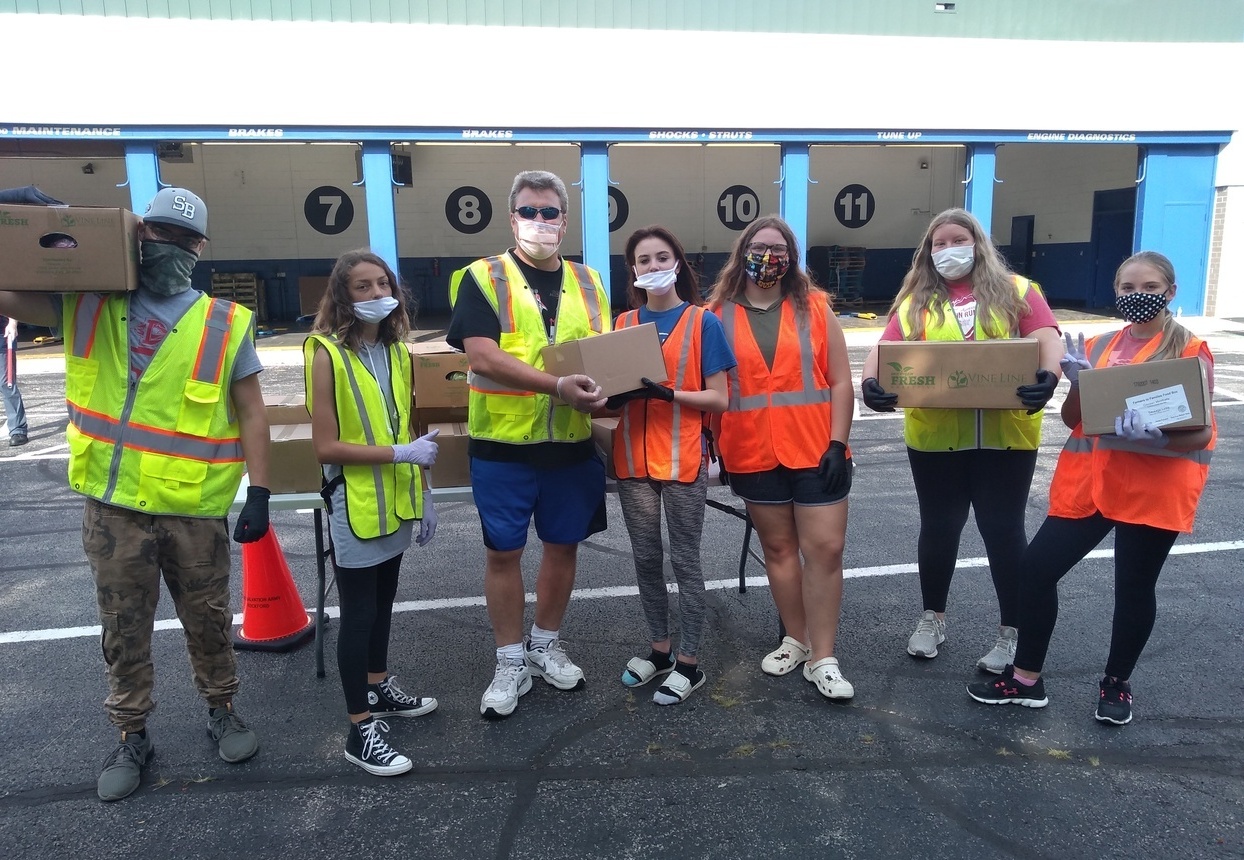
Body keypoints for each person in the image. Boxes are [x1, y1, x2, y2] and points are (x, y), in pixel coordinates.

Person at [0, 187, 271, 802]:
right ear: (134, 235)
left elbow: (252, 414)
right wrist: (35, 224)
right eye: (154, 233)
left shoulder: (225, 324)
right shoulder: (87, 303)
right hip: (113, 506)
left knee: (207, 621)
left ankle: (223, 710)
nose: (164, 247)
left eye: (179, 239)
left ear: (199, 249)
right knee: (123, 627)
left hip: (193, 509)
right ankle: (131, 733)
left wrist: (260, 492)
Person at [968, 251, 1215, 725]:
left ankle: (1116, 683)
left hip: (1151, 486)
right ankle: (1025, 680)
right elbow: (1072, 420)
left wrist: (1160, 435)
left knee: (1134, 588)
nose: (1136, 296)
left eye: (1147, 287)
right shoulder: (1099, 345)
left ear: (1170, 291)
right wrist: (1077, 385)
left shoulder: (1189, 350)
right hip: (1090, 487)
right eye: (1126, 288)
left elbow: (1201, 434)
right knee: (1035, 570)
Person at [860, 208, 1063, 673]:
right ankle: (932, 617)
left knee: (1003, 531)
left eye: (958, 239)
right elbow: (883, 349)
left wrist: (1049, 377)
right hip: (935, 437)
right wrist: (870, 382)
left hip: (1006, 436)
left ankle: (1013, 631)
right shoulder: (916, 300)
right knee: (939, 527)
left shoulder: (1017, 291)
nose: (949, 249)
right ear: (928, 252)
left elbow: (1047, 336)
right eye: (939, 243)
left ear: (979, 242)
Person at [446, 170, 610, 719]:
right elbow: (483, 356)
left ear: (565, 220)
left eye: (550, 212)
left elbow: (603, 358)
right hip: (503, 446)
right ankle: (510, 659)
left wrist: (609, 391)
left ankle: (545, 643)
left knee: (564, 547)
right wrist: (558, 385)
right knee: (503, 553)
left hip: (569, 445)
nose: (540, 221)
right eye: (529, 211)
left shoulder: (589, 283)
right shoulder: (481, 277)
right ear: (512, 217)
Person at [708, 215, 856, 700]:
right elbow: (706, 385)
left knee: (825, 550)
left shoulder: (814, 307)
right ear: (742, 252)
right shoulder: (716, 313)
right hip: (751, 449)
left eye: (778, 248)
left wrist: (838, 442)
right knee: (777, 550)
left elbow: (839, 380)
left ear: (791, 257)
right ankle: (797, 638)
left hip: (816, 448)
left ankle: (824, 656)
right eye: (759, 246)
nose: (767, 256)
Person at [305, 249, 441, 775]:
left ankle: (379, 687)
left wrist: (425, 490)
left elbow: (406, 425)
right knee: (358, 615)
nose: (375, 293)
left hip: (397, 502)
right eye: (361, 286)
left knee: (384, 604)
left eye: (382, 283)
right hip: (356, 504)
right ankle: (360, 727)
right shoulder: (326, 354)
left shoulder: (399, 352)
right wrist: (400, 455)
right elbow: (324, 446)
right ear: (342, 295)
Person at [607, 226, 735, 705]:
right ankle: (659, 650)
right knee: (645, 559)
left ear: (679, 263)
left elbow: (719, 398)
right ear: (634, 271)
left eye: (663, 257)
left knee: (685, 560)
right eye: (644, 260)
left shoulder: (704, 323)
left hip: (682, 459)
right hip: (632, 461)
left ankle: (689, 661)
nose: (654, 267)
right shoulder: (621, 325)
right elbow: (606, 400)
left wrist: (668, 394)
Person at [1, 315, 28, 446]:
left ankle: (18, 429)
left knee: (7, 384)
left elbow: (10, 297)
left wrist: (13, 323)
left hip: (2, 334)